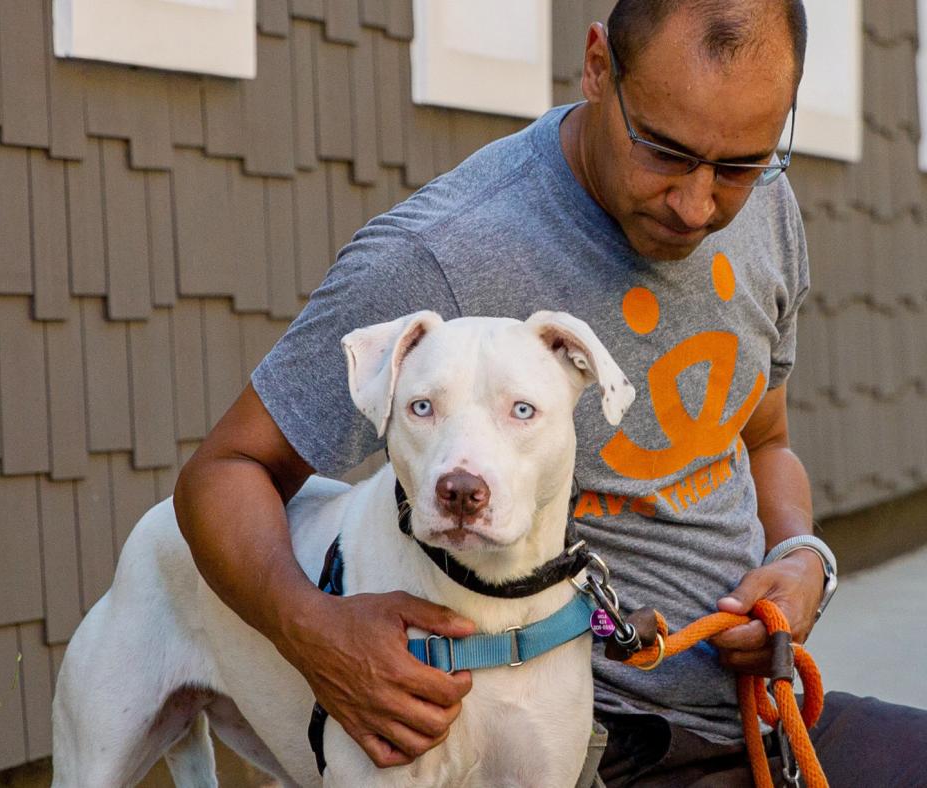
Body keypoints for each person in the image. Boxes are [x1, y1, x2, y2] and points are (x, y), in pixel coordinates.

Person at [173, 1, 927, 784]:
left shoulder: (766, 205)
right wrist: (314, 632)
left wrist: (800, 552)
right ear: (597, 67)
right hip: (592, 738)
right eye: (665, 151)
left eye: (739, 164)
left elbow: (762, 438)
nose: (699, 204)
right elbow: (223, 471)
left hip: (761, 710)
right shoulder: (441, 255)